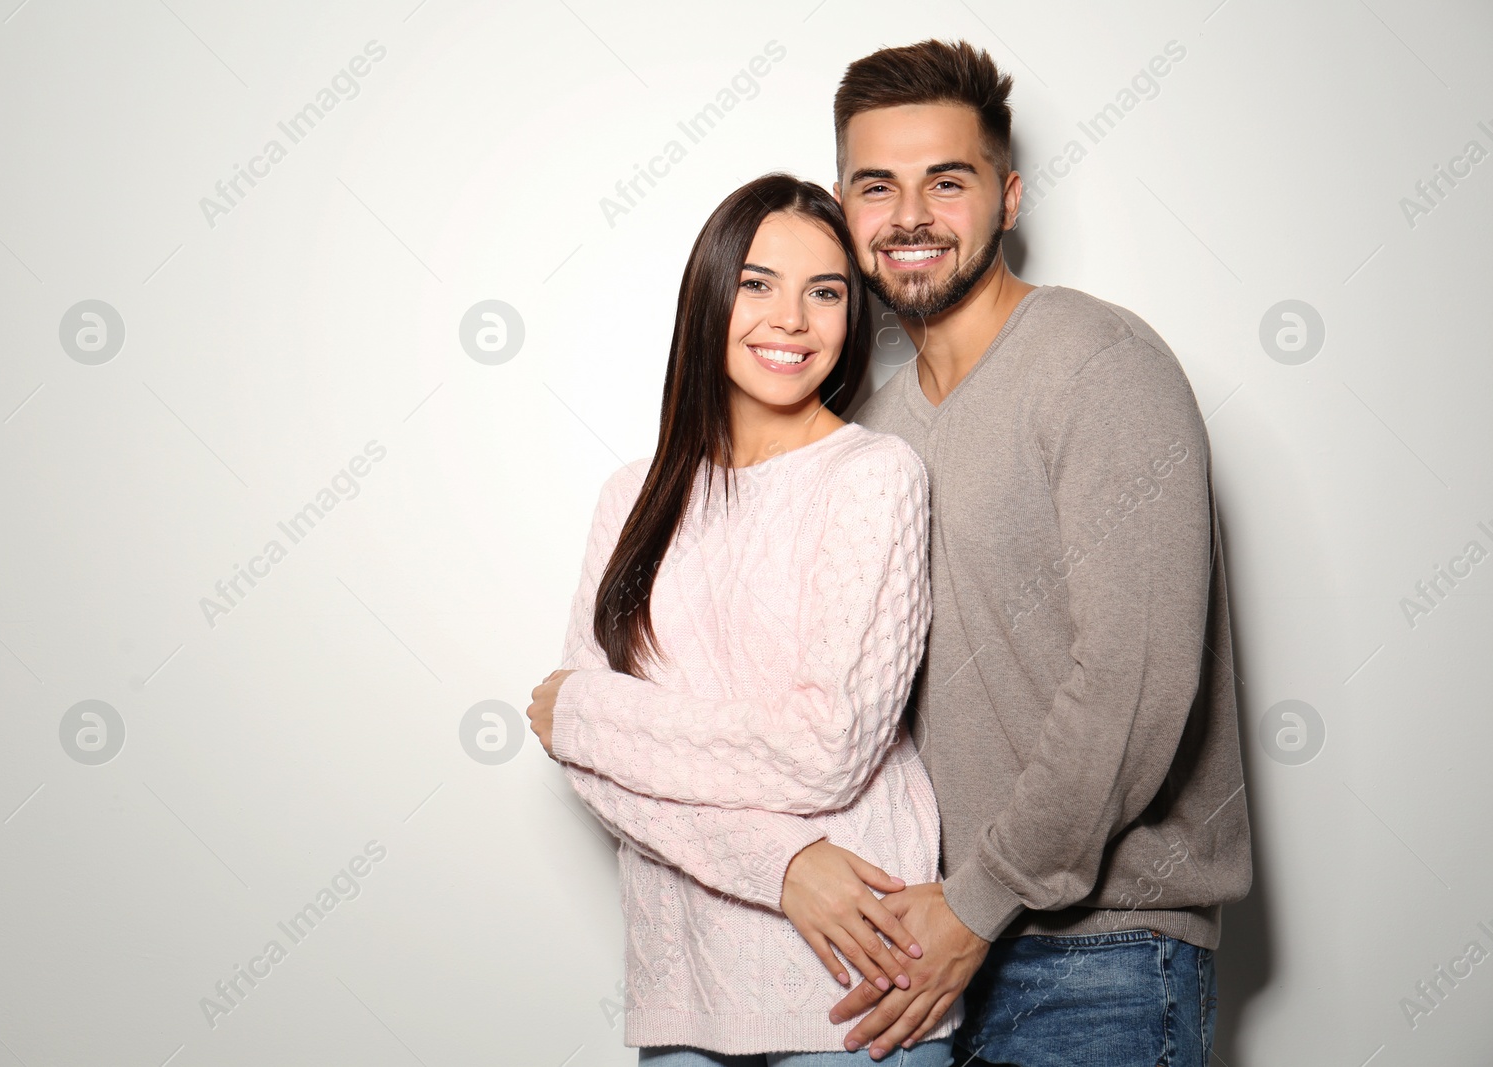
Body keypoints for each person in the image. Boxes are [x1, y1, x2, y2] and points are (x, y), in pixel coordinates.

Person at [806, 40, 1253, 1065]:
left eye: (945, 182)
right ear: (843, 211)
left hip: (1099, 959)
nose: (909, 216)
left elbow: (1134, 683)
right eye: (877, 186)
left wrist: (980, 901)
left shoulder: (1098, 365)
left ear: (1007, 199)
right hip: (923, 952)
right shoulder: (871, 432)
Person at [525, 172, 961, 1065]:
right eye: (758, 283)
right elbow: (594, 768)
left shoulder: (875, 477)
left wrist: (586, 711)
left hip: (859, 977)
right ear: (710, 293)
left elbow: (825, 749)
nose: (791, 319)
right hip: (682, 988)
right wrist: (786, 865)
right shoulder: (631, 498)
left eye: (825, 292)